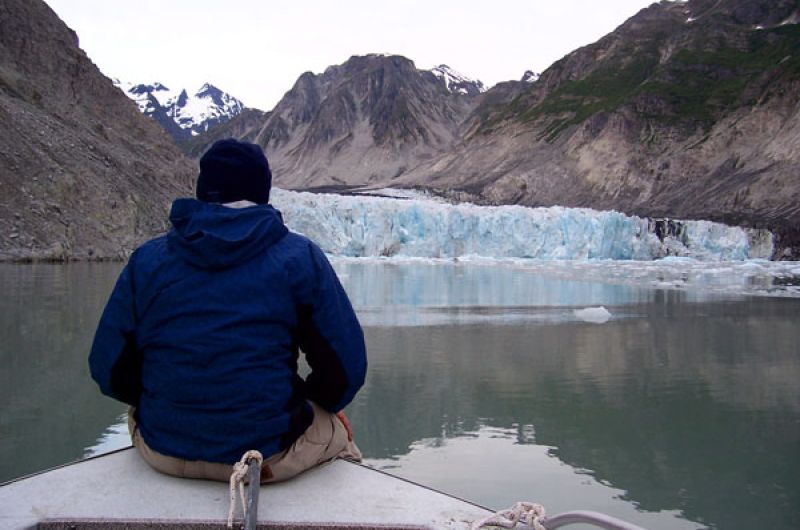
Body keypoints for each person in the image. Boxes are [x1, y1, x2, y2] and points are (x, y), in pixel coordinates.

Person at [89, 138, 367, 483]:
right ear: (263, 190)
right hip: (267, 454)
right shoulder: (299, 258)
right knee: (339, 435)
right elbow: (346, 371)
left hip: (163, 450)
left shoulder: (148, 261)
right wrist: (315, 403)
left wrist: (168, 402)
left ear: (202, 189)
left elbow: (108, 369)